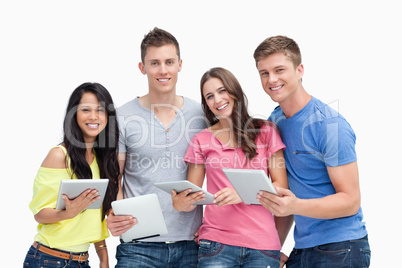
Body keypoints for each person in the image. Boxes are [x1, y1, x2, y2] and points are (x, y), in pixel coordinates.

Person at [253, 35, 371, 267]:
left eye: (279, 70)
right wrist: (271, 249)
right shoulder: (275, 121)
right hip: (303, 249)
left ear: (299, 70)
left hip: (342, 247)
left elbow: (350, 201)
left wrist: (295, 205)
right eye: (264, 73)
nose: (271, 79)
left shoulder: (330, 125)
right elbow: (284, 196)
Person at [171, 67, 292, 267]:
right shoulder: (201, 140)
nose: (217, 100)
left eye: (222, 91)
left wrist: (243, 193)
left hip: (262, 244)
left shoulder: (266, 131)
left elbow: (281, 187)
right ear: (206, 104)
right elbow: (192, 196)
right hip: (216, 244)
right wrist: (179, 203)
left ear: (234, 91)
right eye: (209, 96)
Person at [106, 27, 206, 267]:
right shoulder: (122, 116)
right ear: (142, 67)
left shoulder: (201, 115)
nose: (163, 70)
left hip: (190, 244)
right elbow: (115, 176)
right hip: (138, 244)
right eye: (155, 63)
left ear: (180, 64)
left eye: (169, 62)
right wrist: (114, 213)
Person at [23, 82, 120, 268]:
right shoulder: (59, 155)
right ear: (73, 114)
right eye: (85, 110)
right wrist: (69, 213)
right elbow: (39, 213)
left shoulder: (102, 160)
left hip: (81, 261)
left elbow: (93, 218)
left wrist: (104, 257)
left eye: (100, 110)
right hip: (48, 259)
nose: (93, 117)